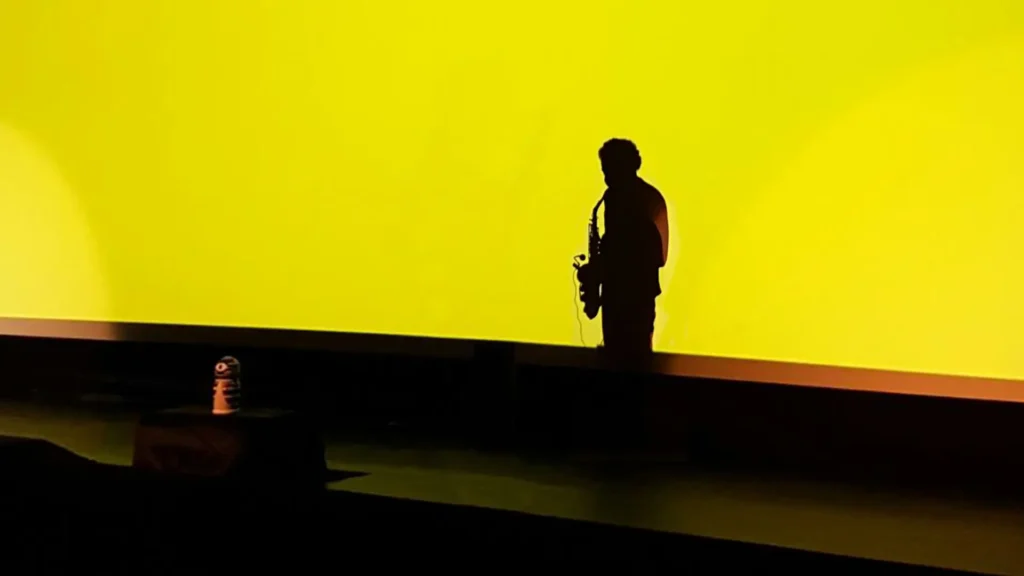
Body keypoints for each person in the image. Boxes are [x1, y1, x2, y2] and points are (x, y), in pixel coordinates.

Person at [596, 139, 669, 367]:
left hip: (632, 296)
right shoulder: (618, 197)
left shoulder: (641, 199)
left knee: (633, 358)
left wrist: (605, 261)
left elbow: (657, 255)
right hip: (623, 292)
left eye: (609, 170)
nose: (606, 178)